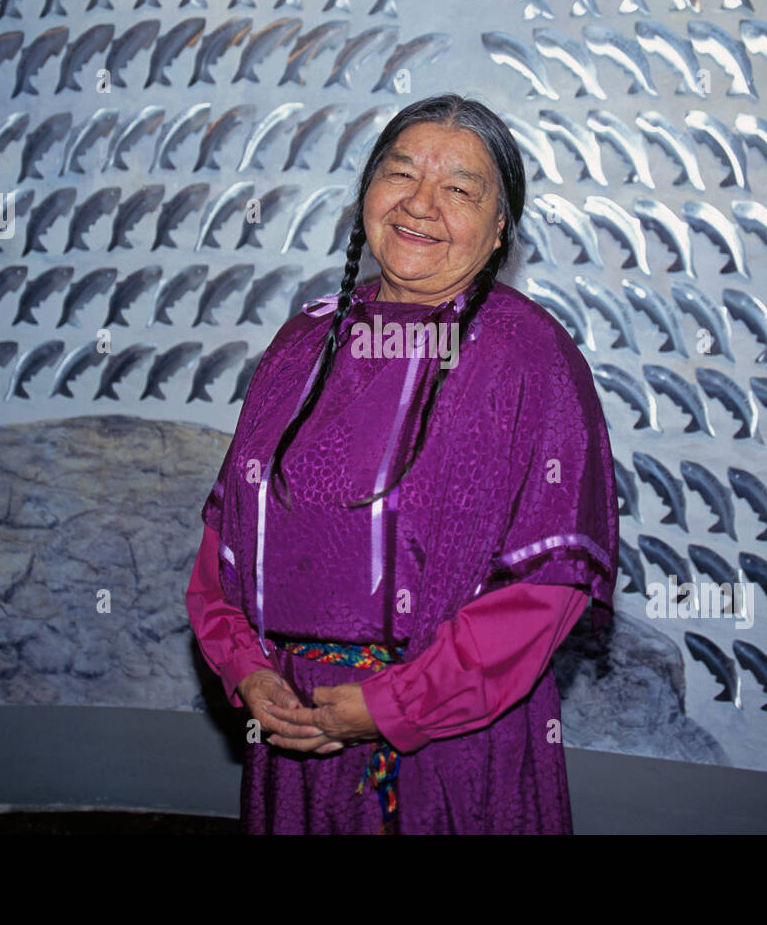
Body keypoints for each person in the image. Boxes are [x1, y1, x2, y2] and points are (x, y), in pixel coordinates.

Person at [186, 93, 618, 834]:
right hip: (295, 735)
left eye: (459, 189)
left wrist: (391, 705)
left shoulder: (529, 359)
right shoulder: (302, 344)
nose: (421, 204)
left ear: (499, 229)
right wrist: (247, 673)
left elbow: (548, 588)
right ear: (365, 197)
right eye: (401, 175)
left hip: (450, 746)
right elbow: (225, 538)